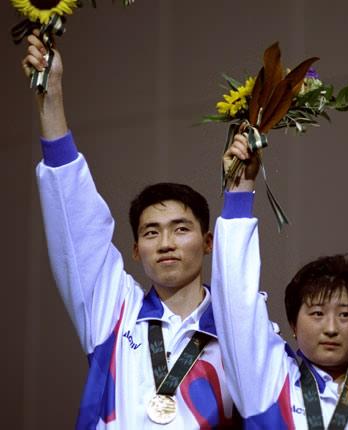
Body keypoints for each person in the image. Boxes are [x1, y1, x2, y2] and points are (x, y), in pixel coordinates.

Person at [23, 33, 240, 429]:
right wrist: (50, 94)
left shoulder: (239, 332)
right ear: (137, 250)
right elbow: (76, 218)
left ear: (209, 243)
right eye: (151, 233)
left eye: (180, 229)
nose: (167, 243)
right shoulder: (114, 310)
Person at [210, 131, 348, 428]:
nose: (330, 328)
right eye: (316, 313)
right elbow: (237, 301)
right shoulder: (267, 379)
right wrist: (239, 193)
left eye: (345, 315)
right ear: (292, 325)